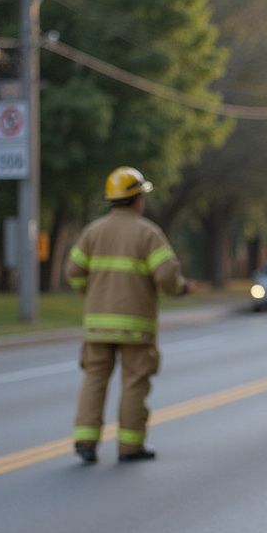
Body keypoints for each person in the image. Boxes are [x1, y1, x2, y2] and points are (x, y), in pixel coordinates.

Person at [65, 166, 198, 464]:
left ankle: (85, 441)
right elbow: (166, 275)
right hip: (135, 327)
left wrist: (90, 294)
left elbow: (73, 271)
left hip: (97, 326)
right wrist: (181, 289)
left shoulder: (93, 232)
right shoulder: (148, 233)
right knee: (134, 383)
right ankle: (129, 447)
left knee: (94, 380)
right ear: (137, 199)